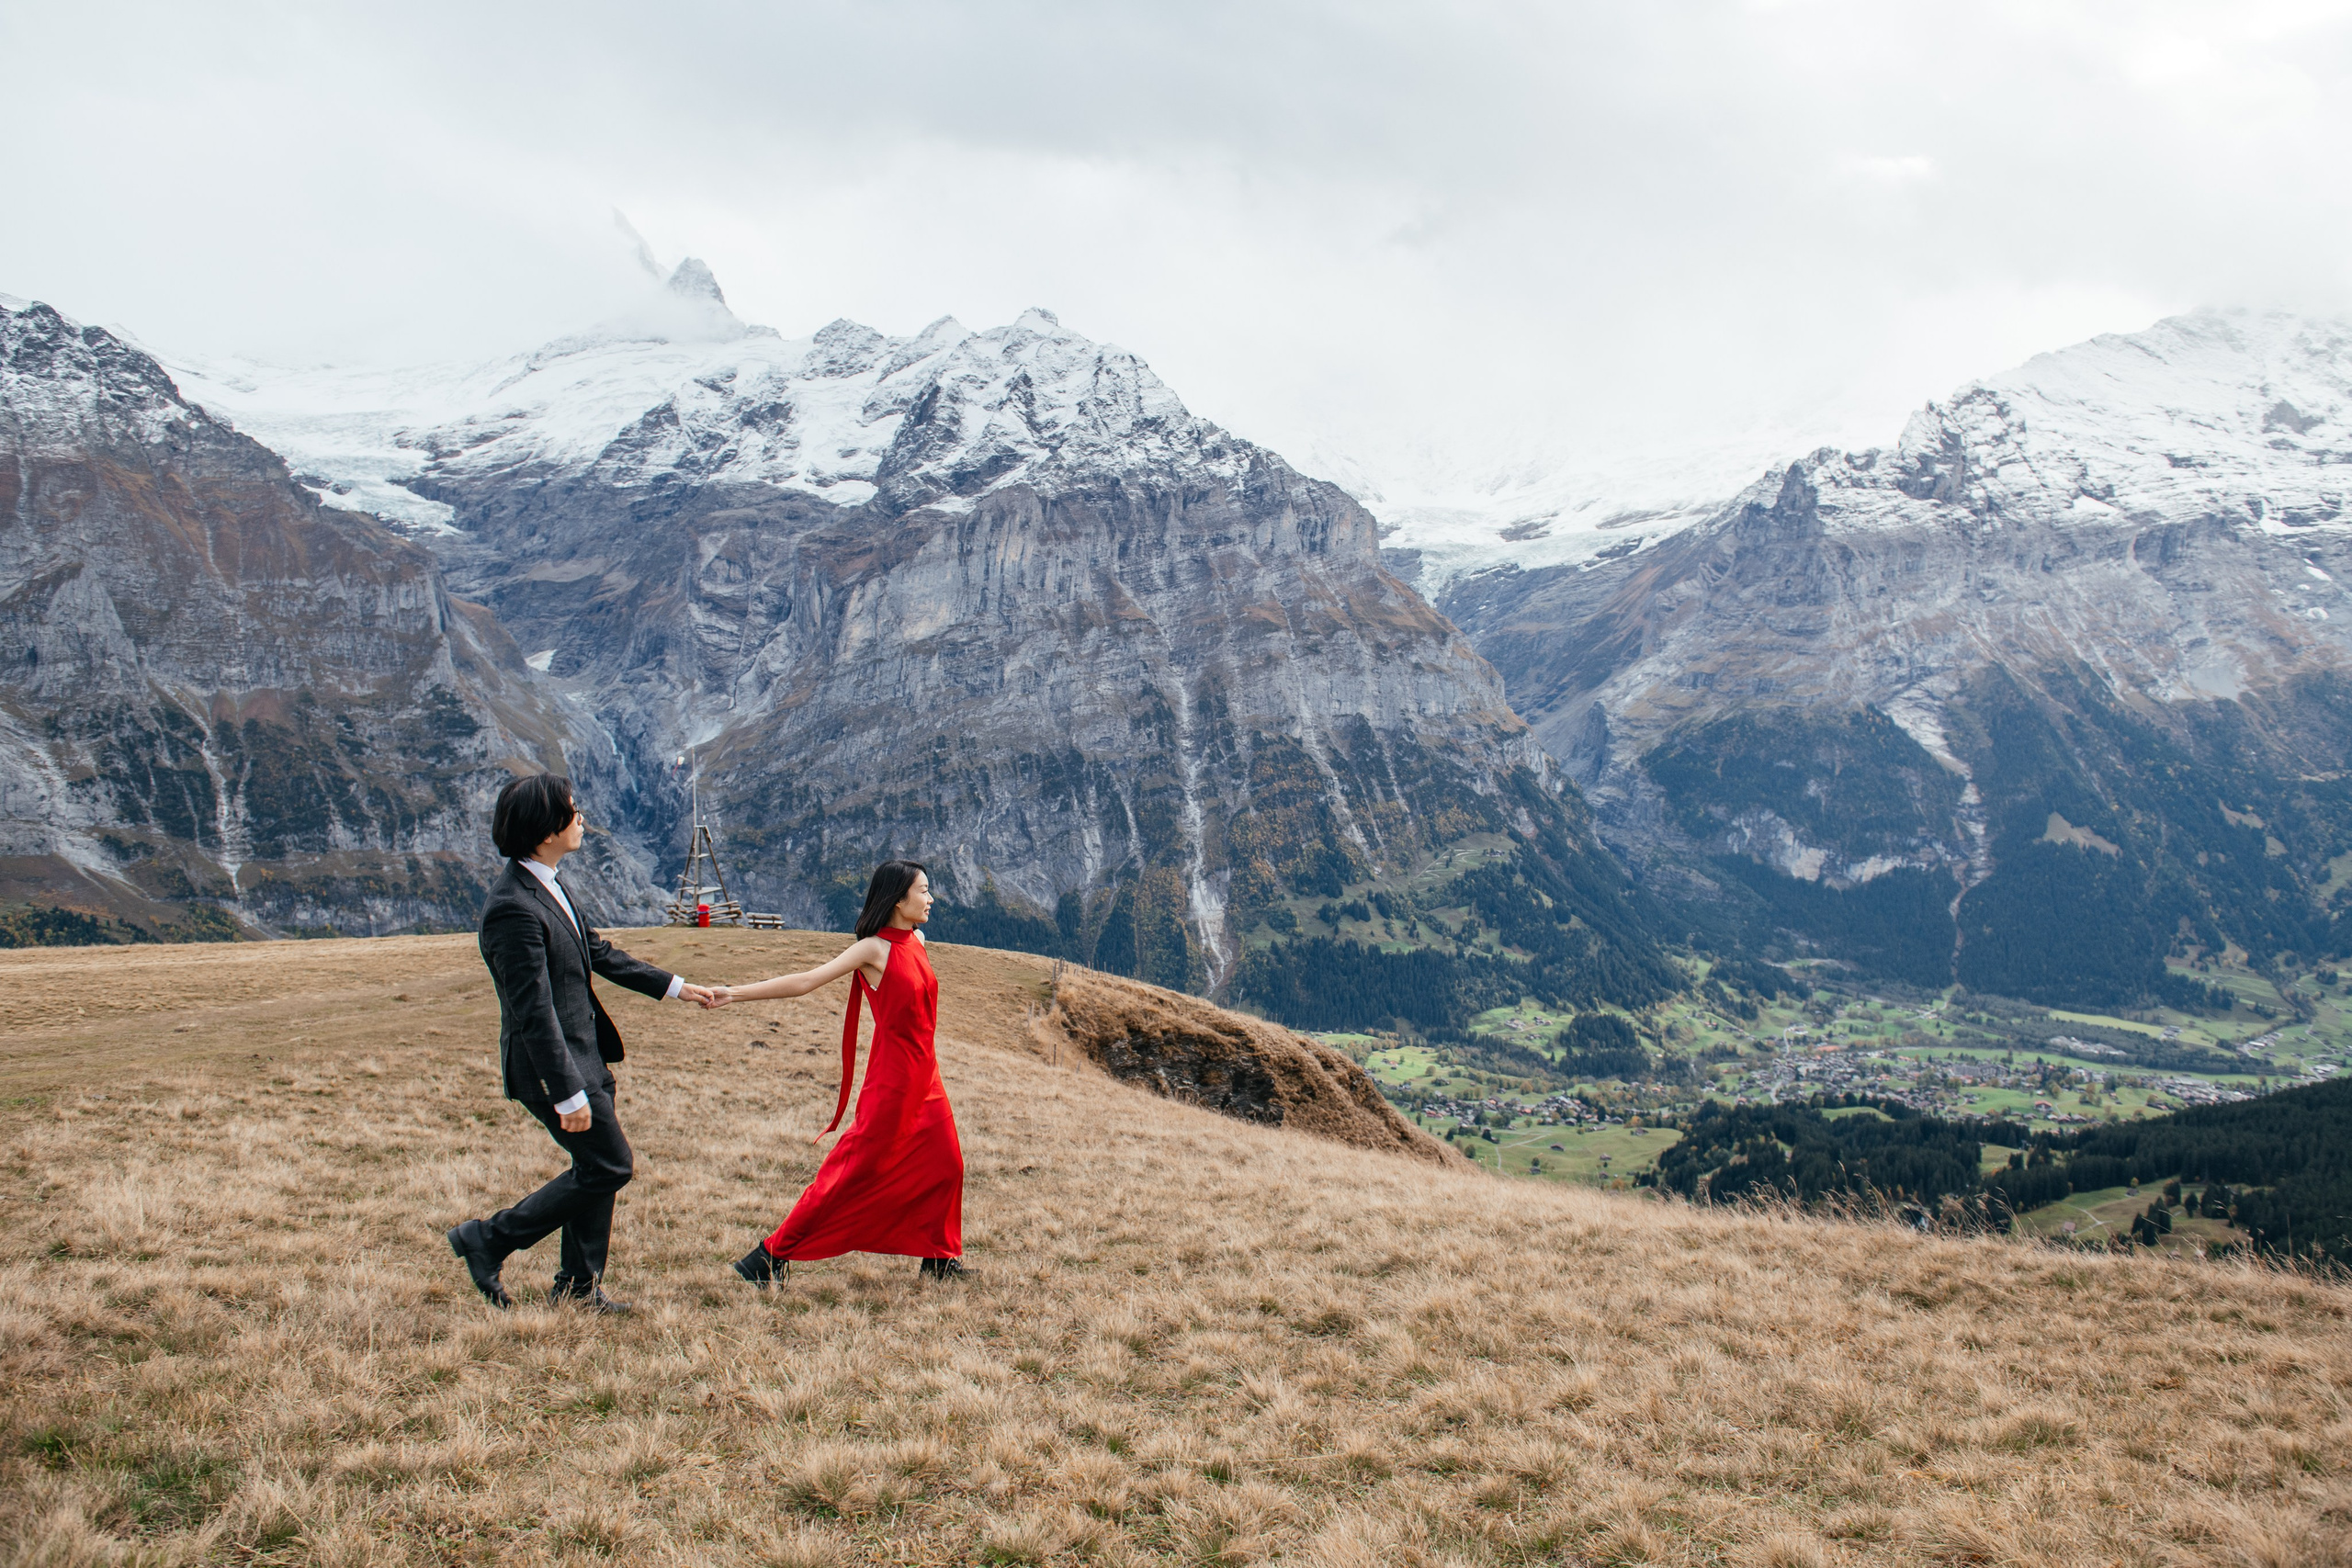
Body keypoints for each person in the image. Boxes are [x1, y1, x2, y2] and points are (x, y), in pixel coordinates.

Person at [447, 773, 713, 1312]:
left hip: (586, 1057)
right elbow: (533, 1013)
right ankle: (490, 1239)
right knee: (610, 1167)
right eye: (573, 810)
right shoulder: (512, 908)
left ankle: (578, 1289)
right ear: (546, 828)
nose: (582, 817)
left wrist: (678, 988)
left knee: (595, 1172)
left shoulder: (549, 882)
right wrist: (566, 1092)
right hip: (554, 1069)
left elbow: (599, 953)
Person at [706, 860, 968, 1283]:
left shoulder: (918, 939)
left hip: (927, 1078)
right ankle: (767, 1258)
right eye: (923, 891)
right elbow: (806, 981)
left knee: (947, 1164)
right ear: (899, 899)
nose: (931, 898)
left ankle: (939, 1260)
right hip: (894, 1083)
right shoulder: (873, 949)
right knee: (850, 1173)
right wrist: (732, 994)